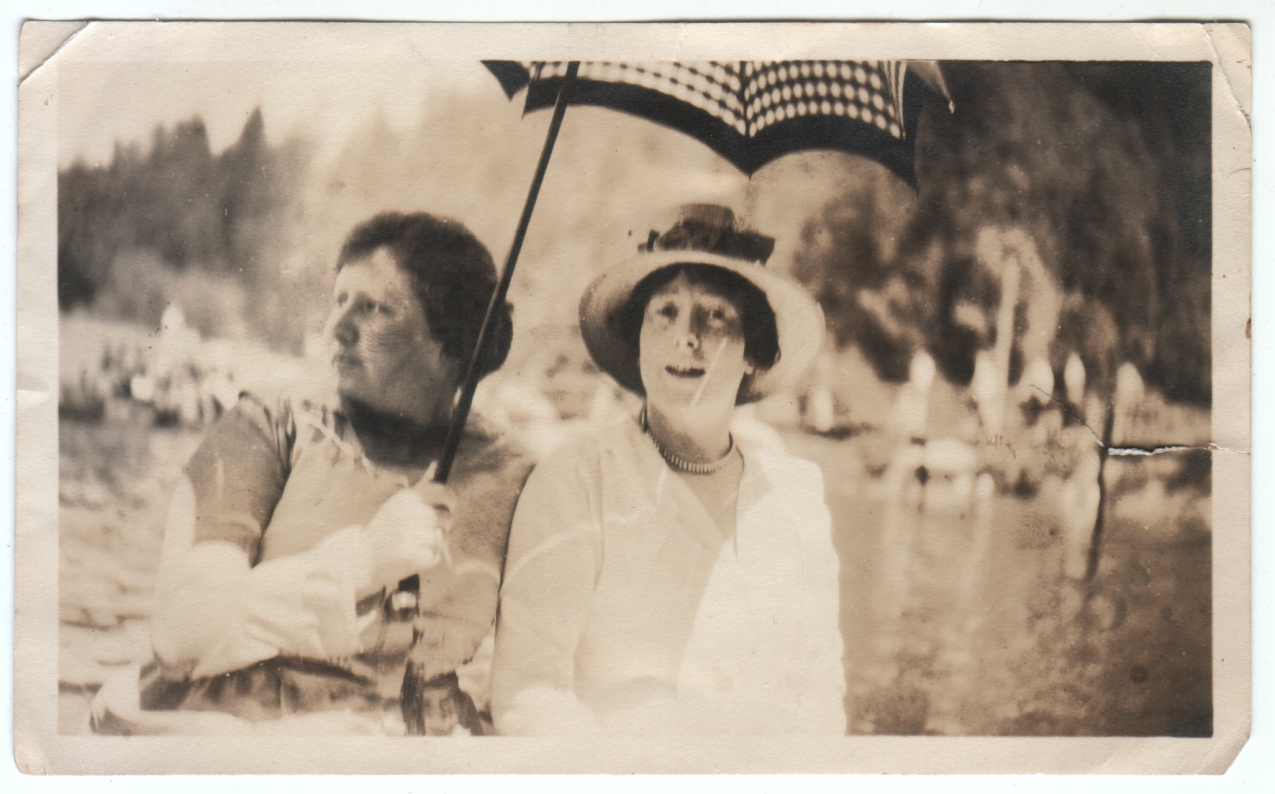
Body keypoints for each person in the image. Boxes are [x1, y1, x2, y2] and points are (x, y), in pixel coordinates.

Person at [91, 212, 531, 735]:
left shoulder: (514, 475)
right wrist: (362, 561)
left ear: (452, 348)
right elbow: (181, 633)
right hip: (241, 732)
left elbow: (540, 671)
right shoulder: (268, 427)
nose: (336, 328)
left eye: (373, 309)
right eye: (339, 301)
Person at [490, 204, 845, 736]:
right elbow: (528, 693)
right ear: (638, 337)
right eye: (666, 312)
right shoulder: (576, 479)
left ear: (754, 349)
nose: (687, 336)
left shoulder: (795, 492)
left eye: (716, 315)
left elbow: (820, 693)